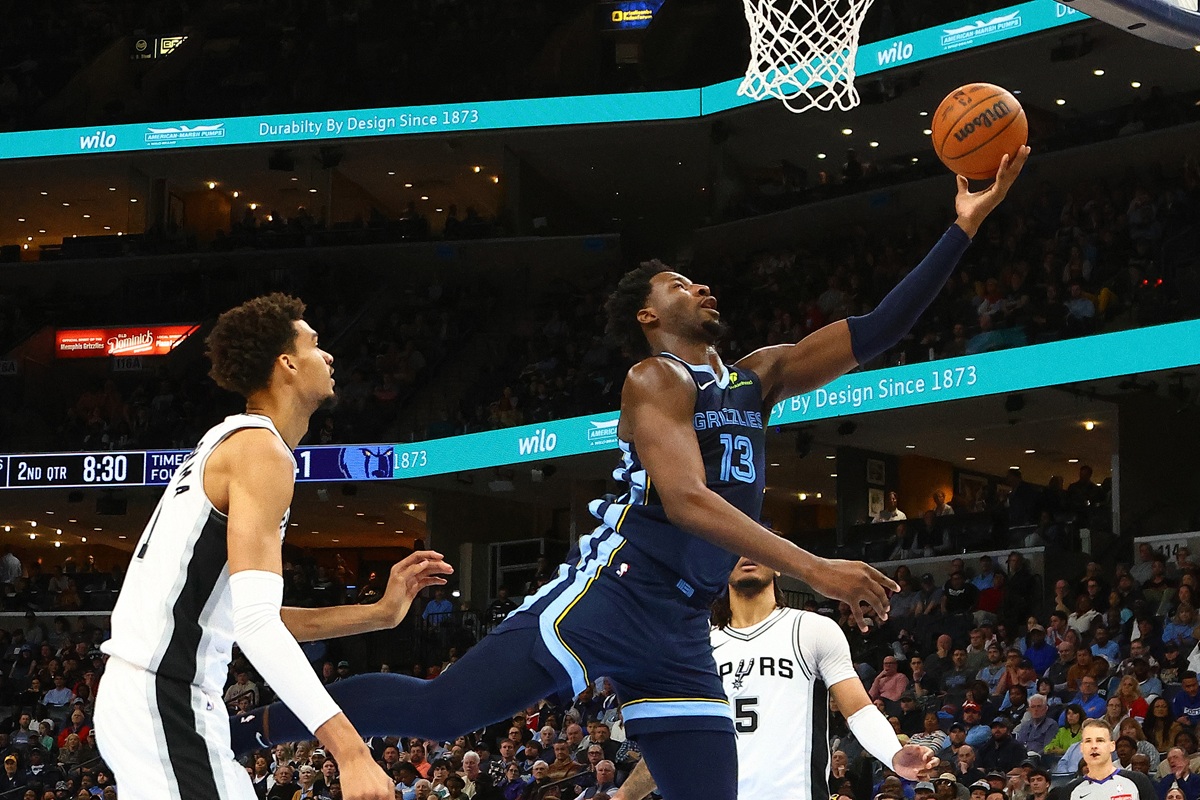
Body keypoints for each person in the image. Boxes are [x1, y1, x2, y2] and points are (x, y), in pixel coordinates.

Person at [232, 154, 1030, 799]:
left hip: (680, 629)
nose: (700, 287)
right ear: (651, 316)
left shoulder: (758, 376)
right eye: (679, 284)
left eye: (697, 280)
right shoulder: (655, 380)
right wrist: (814, 566)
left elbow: (881, 328)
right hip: (611, 592)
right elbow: (684, 501)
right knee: (444, 713)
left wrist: (962, 229)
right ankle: (246, 732)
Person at [94, 295, 454, 800]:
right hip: (163, 695)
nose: (328, 357)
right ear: (286, 363)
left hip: (157, 699)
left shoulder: (233, 444)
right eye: (314, 344)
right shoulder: (259, 451)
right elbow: (257, 626)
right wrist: (351, 752)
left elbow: (246, 616)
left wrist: (380, 613)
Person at [610, 556, 937, 800]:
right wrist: (624, 796)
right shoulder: (696, 647)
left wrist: (893, 753)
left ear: (777, 562)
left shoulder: (811, 628)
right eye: (734, 547)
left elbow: (859, 711)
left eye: (756, 542)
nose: (746, 552)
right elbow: (678, 746)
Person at [1057, 719, 1157, 800]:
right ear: (1082, 748)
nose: (1094, 746)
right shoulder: (1070, 790)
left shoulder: (1137, 781)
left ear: (1112, 746)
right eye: (1088, 741)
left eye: (1100, 740)